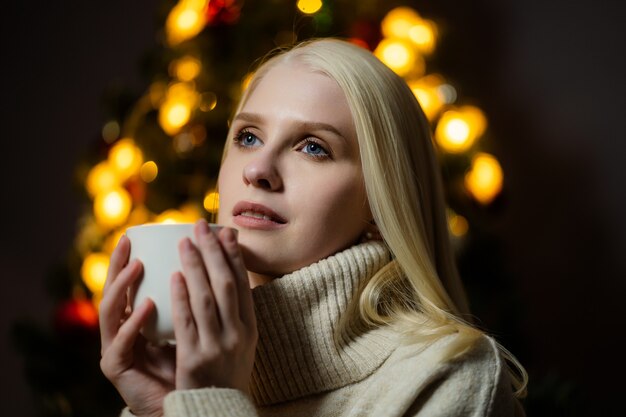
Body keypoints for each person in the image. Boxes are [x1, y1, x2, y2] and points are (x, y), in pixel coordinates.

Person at [99, 38, 528, 417]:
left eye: (313, 147)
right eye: (248, 137)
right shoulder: (174, 379)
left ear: (381, 203)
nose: (259, 169)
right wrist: (163, 411)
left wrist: (211, 402)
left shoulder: (449, 376)